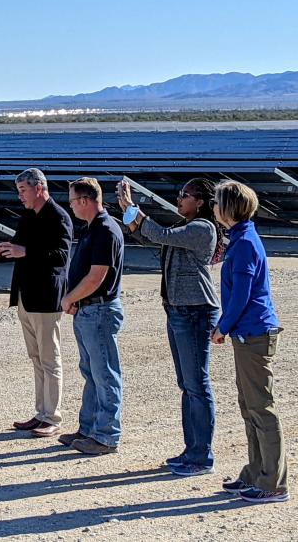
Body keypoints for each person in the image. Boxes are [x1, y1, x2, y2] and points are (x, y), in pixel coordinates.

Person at [117, 177, 222, 476]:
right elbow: (149, 234)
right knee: (187, 385)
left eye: (185, 195)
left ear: (200, 202)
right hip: (179, 309)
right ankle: (193, 451)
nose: (179, 199)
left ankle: (201, 456)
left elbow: (158, 233)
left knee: (197, 385)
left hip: (194, 311)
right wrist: (128, 210)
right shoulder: (186, 227)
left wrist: (133, 208)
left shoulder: (201, 228)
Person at [210, 180, 289, 503]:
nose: (213, 208)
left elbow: (242, 294)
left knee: (261, 407)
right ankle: (256, 472)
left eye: (216, 203)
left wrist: (222, 327)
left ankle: (273, 482)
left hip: (253, 333)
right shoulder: (240, 239)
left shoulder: (243, 244)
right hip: (248, 332)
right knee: (249, 406)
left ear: (228, 208)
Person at [0, 168, 72, 438]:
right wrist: (3, 251)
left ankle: (53, 416)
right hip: (27, 295)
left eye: (23, 190)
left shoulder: (58, 216)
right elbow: (19, 247)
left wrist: (25, 251)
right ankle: (41, 413)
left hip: (47, 297)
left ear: (39, 188)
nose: (20, 196)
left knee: (50, 358)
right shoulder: (27, 216)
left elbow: (61, 255)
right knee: (36, 358)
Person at [58, 177, 125, 455]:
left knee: (104, 373)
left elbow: (97, 276)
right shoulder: (92, 228)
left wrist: (70, 298)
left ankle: (107, 435)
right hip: (88, 309)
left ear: (84, 201)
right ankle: (88, 428)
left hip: (98, 309)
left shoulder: (105, 230)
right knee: (91, 372)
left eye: (72, 200)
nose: (71, 206)